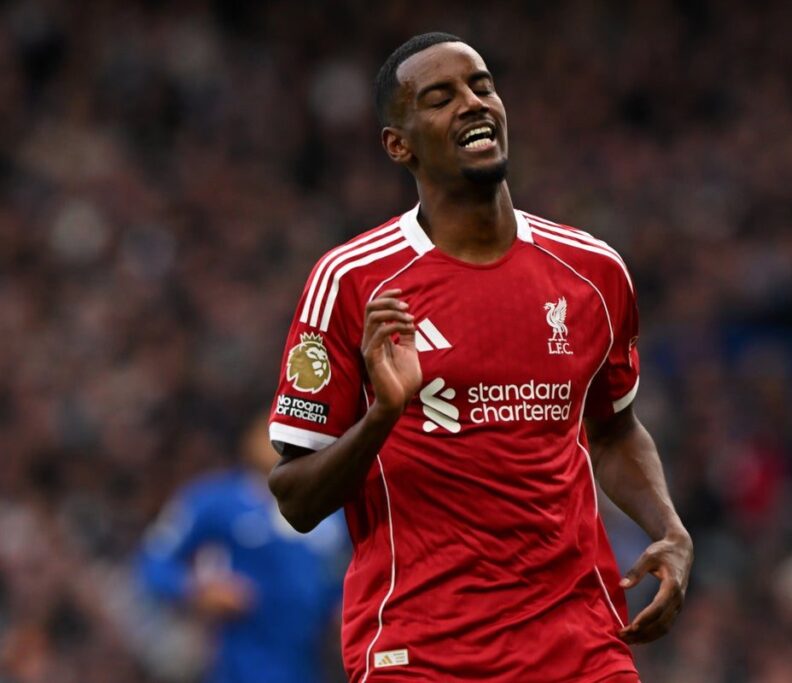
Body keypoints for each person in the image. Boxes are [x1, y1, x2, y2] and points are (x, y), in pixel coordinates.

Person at [267, 32, 693, 682]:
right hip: (423, 653)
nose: (472, 103)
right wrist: (383, 415)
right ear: (399, 145)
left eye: (482, 86)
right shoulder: (353, 281)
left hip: (579, 644)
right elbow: (295, 499)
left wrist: (670, 527)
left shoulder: (592, 272)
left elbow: (614, 430)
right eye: (440, 98)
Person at [137, 416, 349, 683]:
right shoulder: (215, 500)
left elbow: (340, 577)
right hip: (238, 658)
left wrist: (344, 607)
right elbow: (153, 560)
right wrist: (195, 589)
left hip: (310, 662)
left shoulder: (332, 511)